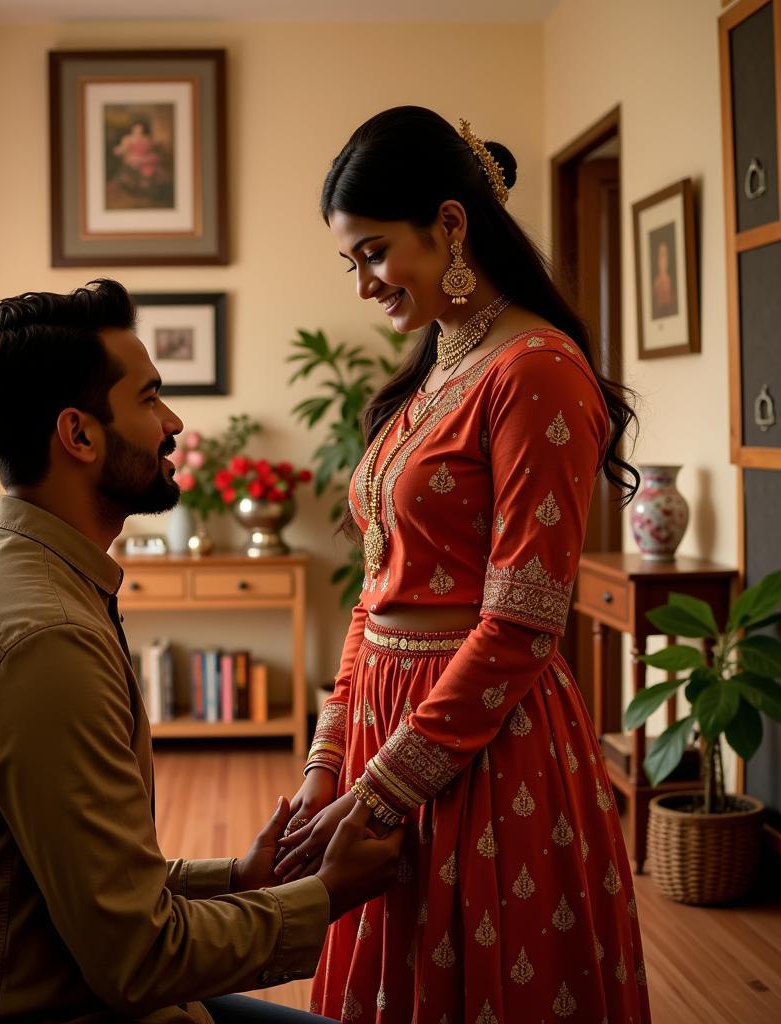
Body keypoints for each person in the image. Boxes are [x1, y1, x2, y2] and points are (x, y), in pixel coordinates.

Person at [0, 280, 404, 1024]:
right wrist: (324, 895)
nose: (174, 422)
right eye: (150, 398)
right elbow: (137, 957)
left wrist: (240, 877)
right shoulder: (43, 639)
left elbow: (87, 886)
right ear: (79, 435)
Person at [275, 107, 652, 1024]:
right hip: (384, 729)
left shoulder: (535, 369)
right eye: (349, 262)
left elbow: (523, 622)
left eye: (373, 252)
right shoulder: (433, 376)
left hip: (489, 746)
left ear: (449, 224)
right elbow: (377, 592)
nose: (363, 284)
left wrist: (383, 784)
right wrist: (331, 762)